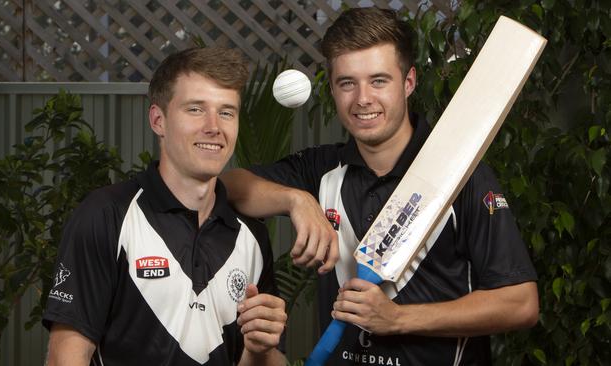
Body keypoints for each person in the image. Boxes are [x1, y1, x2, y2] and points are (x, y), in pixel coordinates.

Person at [220, 7, 538, 365]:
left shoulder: (462, 177)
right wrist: (295, 200)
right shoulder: (321, 169)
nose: (362, 99)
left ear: (409, 82)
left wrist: (400, 319)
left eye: (379, 80)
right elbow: (229, 187)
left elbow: (520, 303)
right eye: (347, 83)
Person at [43, 47, 287, 366]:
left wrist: (259, 349)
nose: (214, 127)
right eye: (196, 109)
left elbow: (261, 361)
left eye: (226, 112)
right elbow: (67, 358)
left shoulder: (251, 235)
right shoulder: (108, 215)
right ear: (159, 120)